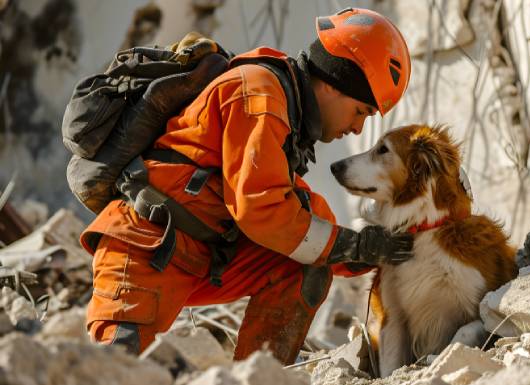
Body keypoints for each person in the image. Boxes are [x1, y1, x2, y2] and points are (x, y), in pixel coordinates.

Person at [78, 7, 413, 364]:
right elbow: (262, 210)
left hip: (198, 253)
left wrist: (360, 253)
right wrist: (354, 244)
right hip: (144, 248)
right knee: (112, 368)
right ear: (334, 82)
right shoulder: (260, 96)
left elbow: (298, 211)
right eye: (360, 111)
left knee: (305, 266)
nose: (358, 128)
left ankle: (259, 374)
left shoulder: (283, 108)